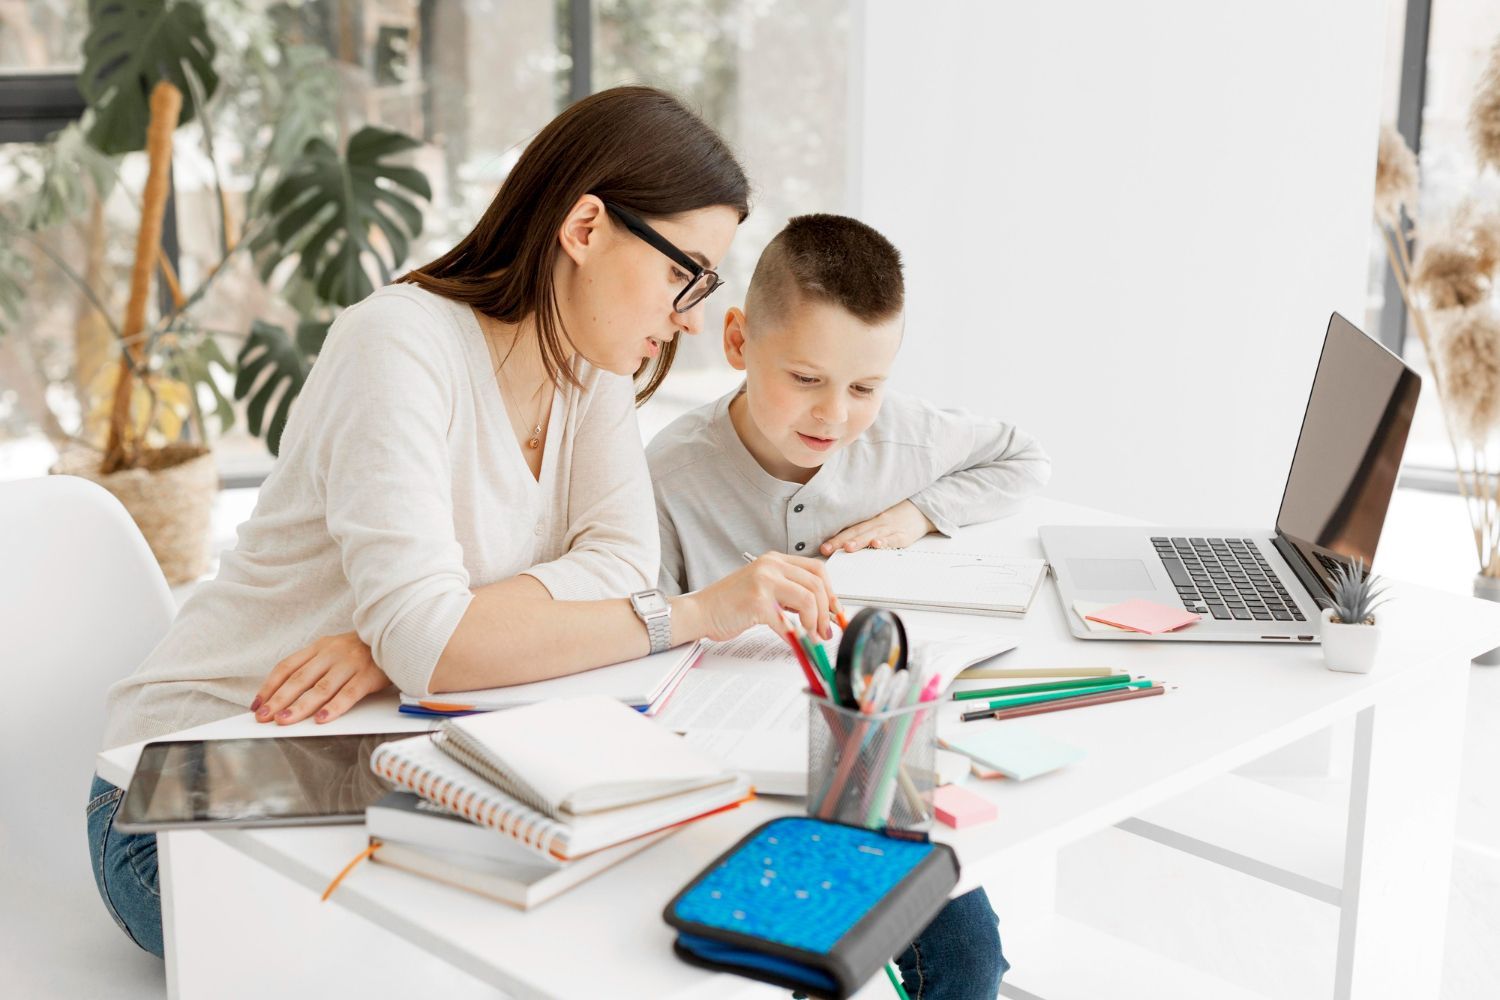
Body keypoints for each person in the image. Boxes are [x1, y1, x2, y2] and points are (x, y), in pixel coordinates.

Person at [87, 86, 842, 958]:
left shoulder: (591, 366)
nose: (692, 317)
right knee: (492, 947)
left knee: (644, 902)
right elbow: (451, 642)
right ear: (586, 227)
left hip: (388, 748)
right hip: (187, 781)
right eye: (683, 272)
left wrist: (410, 640)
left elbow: (620, 565)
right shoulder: (398, 345)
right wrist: (693, 614)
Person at [646, 213, 1053, 998]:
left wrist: (916, 515)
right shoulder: (669, 476)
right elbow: (646, 631)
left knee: (971, 962)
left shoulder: (901, 436)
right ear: (737, 341)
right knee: (798, 960)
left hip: (886, 776)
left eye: (864, 387)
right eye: (805, 379)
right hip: (738, 787)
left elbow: (1023, 457)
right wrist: (713, 607)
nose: (835, 415)